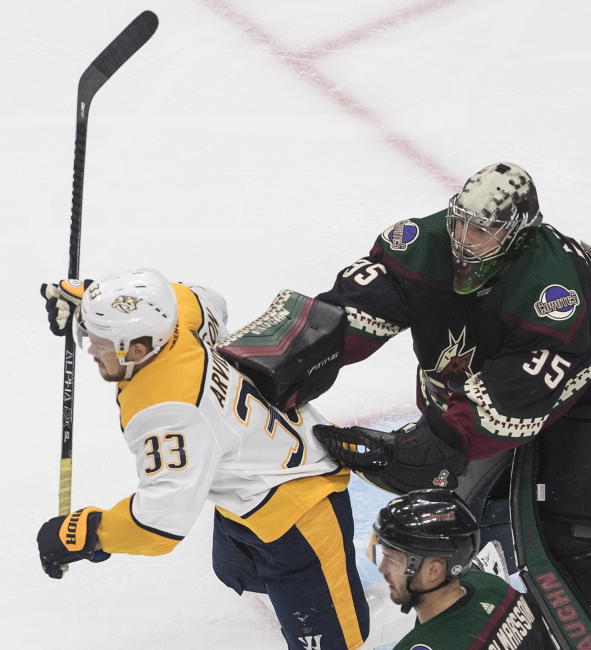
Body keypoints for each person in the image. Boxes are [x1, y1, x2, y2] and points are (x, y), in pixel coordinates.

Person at [223, 162, 591, 648]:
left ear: (519, 236)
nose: (463, 239)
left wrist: (425, 446)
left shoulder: (554, 293)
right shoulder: (421, 242)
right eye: (460, 221)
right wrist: (267, 364)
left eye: (483, 230)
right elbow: (346, 314)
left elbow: (512, 402)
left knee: (565, 534)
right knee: (454, 515)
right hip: (507, 364)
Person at [35, 268, 369, 650]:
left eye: (100, 341)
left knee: (330, 642)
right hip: (250, 484)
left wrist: (85, 533)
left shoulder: (168, 411)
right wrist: (94, 304)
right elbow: (207, 299)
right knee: (236, 570)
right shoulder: (177, 317)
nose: (91, 349)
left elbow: (157, 525)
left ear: (138, 350)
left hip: (301, 514)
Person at [371, 488, 552, 649]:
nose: (382, 569)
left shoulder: (425, 644)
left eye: (392, 560)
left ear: (434, 570)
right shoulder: (490, 583)